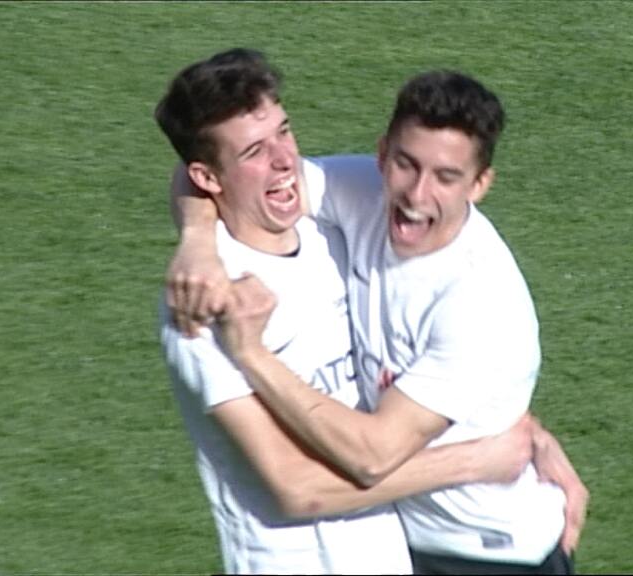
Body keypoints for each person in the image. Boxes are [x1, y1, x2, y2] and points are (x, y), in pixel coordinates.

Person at [154, 48, 562, 575]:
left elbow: (375, 453)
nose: (285, 160)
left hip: (483, 555)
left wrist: (514, 428)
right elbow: (297, 489)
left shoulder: (470, 297)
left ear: (479, 184)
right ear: (382, 155)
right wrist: (196, 240)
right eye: (257, 149)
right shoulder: (205, 304)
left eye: (285, 132)